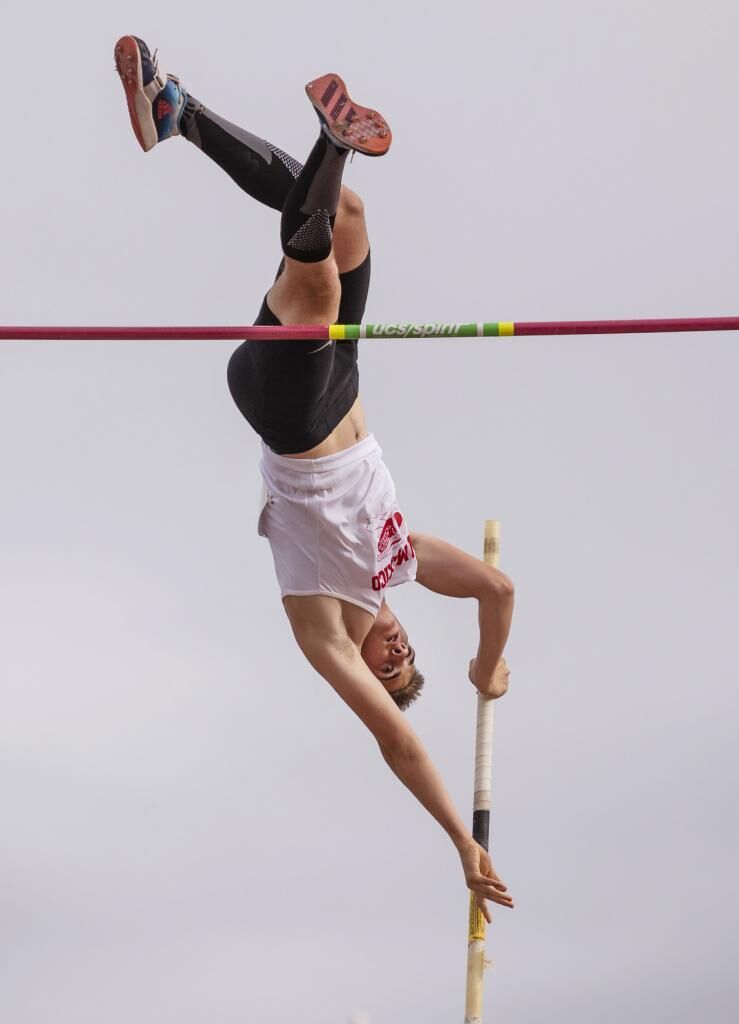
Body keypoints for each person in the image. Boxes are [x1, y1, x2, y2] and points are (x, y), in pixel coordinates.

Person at [114, 35, 516, 918]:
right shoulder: (403, 559)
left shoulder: (322, 625)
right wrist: (487, 667)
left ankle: (330, 139)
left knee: (322, 286)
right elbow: (495, 587)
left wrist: (460, 843)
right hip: (341, 378)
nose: (398, 655)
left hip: (292, 420)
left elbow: (400, 747)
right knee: (350, 221)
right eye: (409, 658)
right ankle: (176, 113)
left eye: (390, 668)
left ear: (364, 666)